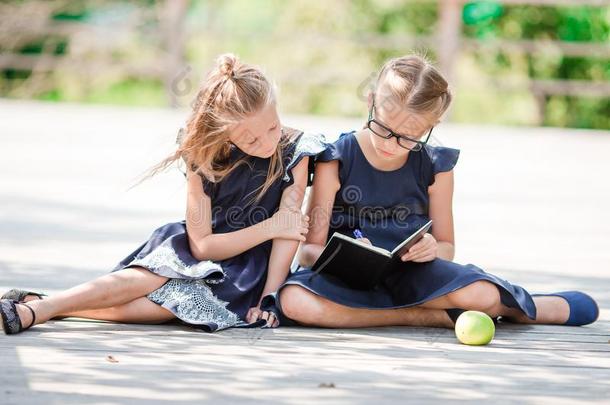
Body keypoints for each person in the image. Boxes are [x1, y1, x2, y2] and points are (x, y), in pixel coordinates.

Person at [1, 53, 327, 335]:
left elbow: (289, 233)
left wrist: (268, 297)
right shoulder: (204, 154)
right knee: (151, 278)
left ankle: (42, 304)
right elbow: (202, 246)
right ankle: (43, 309)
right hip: (195, 248)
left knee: (166, 308)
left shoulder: (296, 150)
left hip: (247, 271)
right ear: (224, 133)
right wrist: (270, 227)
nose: (267, 142)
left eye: (272, 128)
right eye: (251, 140)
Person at [267, 54, 599, 329]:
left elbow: (446, 246)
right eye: (384, 129)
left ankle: (522, 304)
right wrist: (345, 254)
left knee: (481, 295)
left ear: (432, 126)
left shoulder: (437, 167)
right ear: (370, 103)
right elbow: (308, 252)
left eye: (409, 138)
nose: (390, 145)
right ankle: (427, 316)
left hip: (415, 274)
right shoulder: (336, 158)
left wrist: (432, 250)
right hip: (345, 279)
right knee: (294, 302)